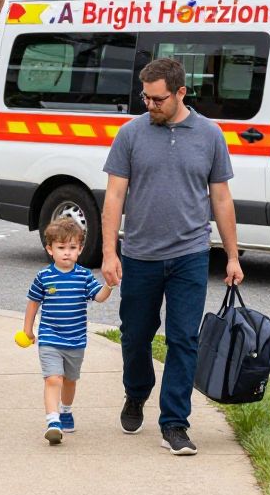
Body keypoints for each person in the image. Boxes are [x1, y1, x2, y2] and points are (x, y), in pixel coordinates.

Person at [100, 57, 244, 456]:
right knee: (135, 335)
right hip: (141, 255)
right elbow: (114, 196)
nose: (150, 105)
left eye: (158, 99)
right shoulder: (130, 135)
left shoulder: (210, 135)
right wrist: (110, 252)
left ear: (181, 92)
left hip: (190, 254)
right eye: (144, 97)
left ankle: (175, 423)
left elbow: (221, 198)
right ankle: (136, 392)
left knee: (184, 339)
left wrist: (232, 256)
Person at [22, 217, 112, 444]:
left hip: (75, 341)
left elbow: (99, 297)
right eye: (61, 248)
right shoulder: (43, 277)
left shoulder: (84, 276)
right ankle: (53, 421)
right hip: (50, 338)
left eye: (72, 248)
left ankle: (66, 410)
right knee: (53, 379)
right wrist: (28, 329)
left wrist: (109, 285)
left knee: (70, 381)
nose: (66, 253)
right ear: (50, 249)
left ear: (80, 249)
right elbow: (33, 302)